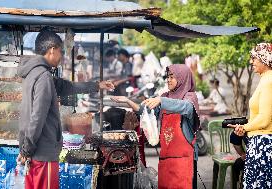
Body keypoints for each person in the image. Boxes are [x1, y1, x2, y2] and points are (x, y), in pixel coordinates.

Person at [16, 29, 114, 189]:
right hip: (43, 154)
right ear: (52, 50)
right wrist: (26, 149)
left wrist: (97, 85)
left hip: (36, 152)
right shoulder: (43, 77)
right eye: (61, 51)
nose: (62, 56)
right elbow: (37, 117)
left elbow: (66, 86)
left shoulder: (34, 73)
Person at [111, 64, 200, 189]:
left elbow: (186, 107)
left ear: (182, 78)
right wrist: (127, 101)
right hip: (166, 157)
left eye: (172, 77)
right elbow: (146, 111)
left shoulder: (190, 97)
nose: (168, 80)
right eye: (167, 77)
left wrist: (161, 101)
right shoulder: (164, 97)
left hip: (185, 159)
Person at [229, 43, 272, 188]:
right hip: (259, 142)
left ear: (264, 58)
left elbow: (264, 119)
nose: (251, 62)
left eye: (254, 58)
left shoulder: (269, 81)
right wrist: (244, 127)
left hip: (264, 144)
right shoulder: (265, 79)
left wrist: (244, 127)